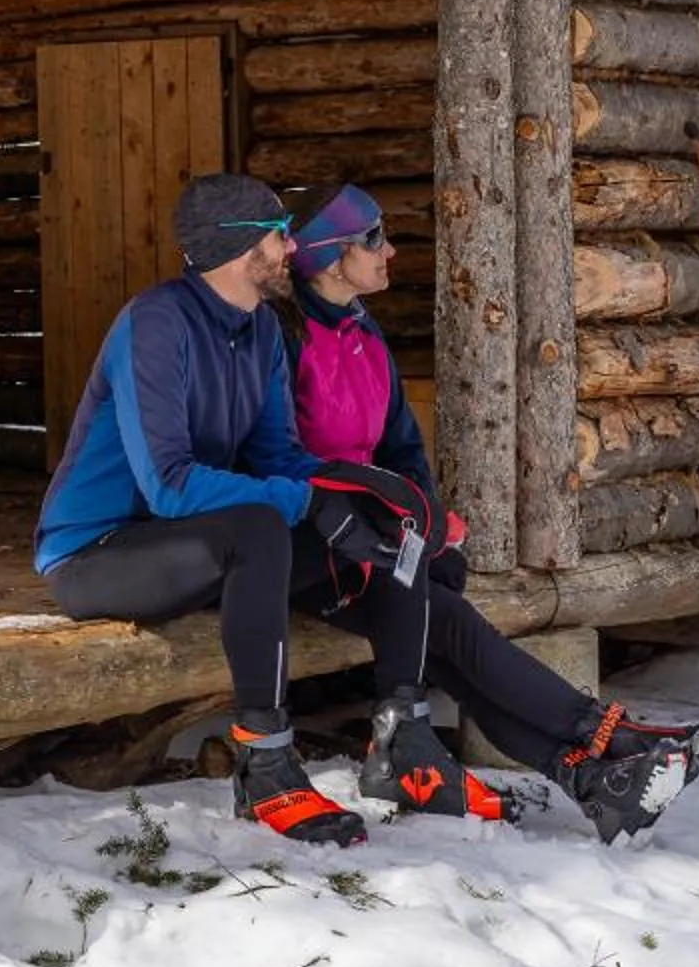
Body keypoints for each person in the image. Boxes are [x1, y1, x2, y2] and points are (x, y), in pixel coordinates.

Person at [37, 172, 520, 847]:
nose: (292, 249)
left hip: (190, 544)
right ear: (239, 248)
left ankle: (404, 742)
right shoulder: (156, 323)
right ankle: (264, 761)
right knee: (263, 526)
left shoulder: (260, 329)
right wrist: (308, 501)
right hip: (98, 551)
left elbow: (277, 456)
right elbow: (169, 485)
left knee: (381, 526)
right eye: (277, 235)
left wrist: (363, 493)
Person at [284, 183, 699, 842]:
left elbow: (402, 447)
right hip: (315, 547)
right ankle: (604, 736)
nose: (390, 250)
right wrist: (376, 517)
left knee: (445, 616)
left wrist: (423, 518)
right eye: (372, 238)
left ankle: (588, 775)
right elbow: (285, 461)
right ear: (327, 259)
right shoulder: (287, 338)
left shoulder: (362, 332)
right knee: (448, 623)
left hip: (375, 540)